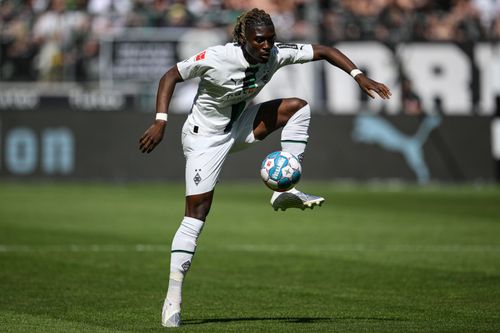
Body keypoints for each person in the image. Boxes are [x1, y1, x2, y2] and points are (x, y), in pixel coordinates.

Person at [139, 8, 391, 328]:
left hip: (241, 126)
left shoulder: (276, 54)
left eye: (271, 39)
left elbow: (325, 51)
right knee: (196, 214)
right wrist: (161, 121)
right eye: (260, 40)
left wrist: (359, 76)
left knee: (297, 108)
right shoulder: (217, 57)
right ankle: (173, 297)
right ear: (244, 38)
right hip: (204, 139)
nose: (267, 46)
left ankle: (285, 189)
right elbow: (170, 75)